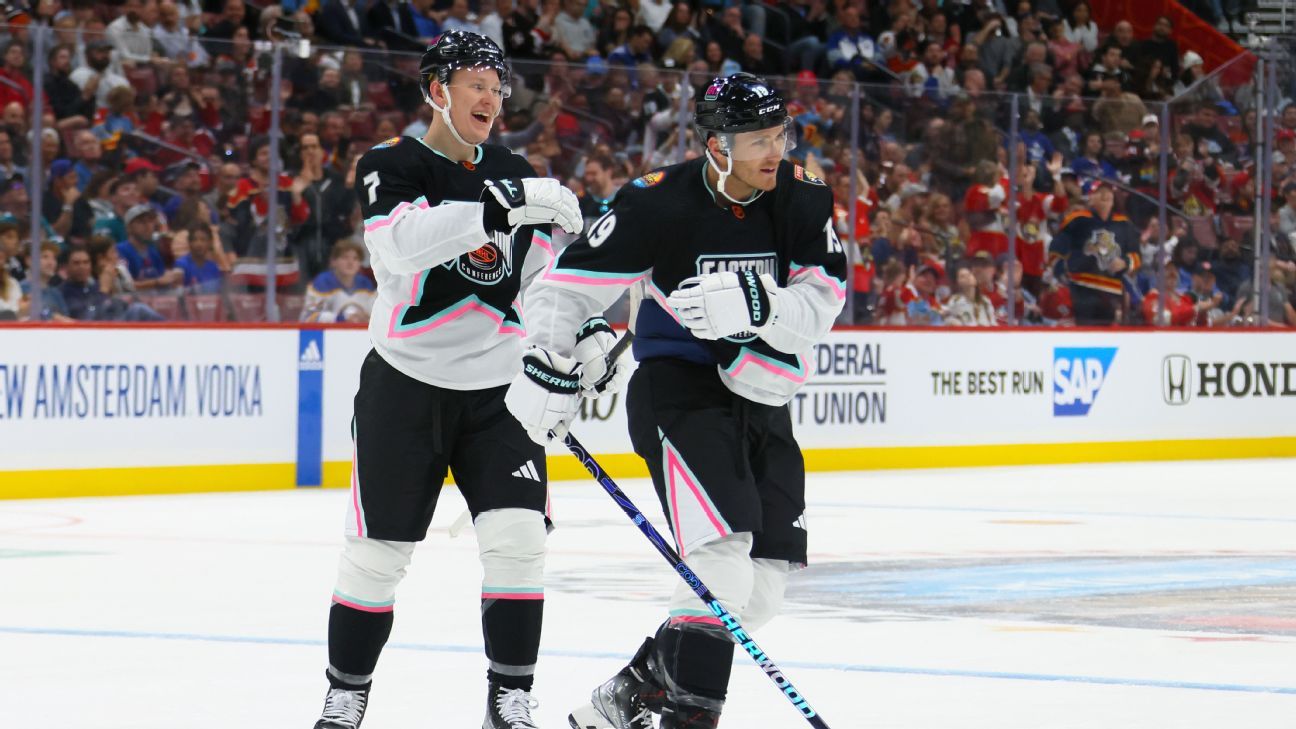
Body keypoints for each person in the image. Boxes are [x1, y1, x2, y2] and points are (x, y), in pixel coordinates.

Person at [504, 73, 846, 729]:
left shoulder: (801, 199)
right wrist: (547, 359)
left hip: (764, 394)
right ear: (717, 143)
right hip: (681, 393)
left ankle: (639, 683)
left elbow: (821, 306)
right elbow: (561, 289)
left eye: (778, 135)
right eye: (756, 140)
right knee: (718, 568)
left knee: (762, 590)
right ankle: (686, 718)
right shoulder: (658, 205)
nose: (773, 151)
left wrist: (760, 303)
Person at [311, 31, 582, 729]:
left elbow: (543, 285)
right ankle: (346, 693)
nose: (492, 98)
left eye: (498, 86)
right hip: (405, 386)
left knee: (520, 538)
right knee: (377, 554)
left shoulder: (518, 171)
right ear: (438, 91)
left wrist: (580, 339)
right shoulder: (392, 164)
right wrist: (500, 206)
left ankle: (510, 698)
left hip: (499, 395)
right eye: (476, 85)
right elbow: (397, 247)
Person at [1048, 180, 1140, 326]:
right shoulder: (1078, 219)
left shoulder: (1124, 224)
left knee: (1107, 337)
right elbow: (1056, 249)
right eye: (1099, 191)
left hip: (1112, 290)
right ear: (1090, 198)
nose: (1105, 194)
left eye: (1108, 191)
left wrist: (1125, 263)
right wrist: (1061, 273)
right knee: (1084, 335)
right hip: (1082, 288)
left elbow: (1136, 255)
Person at [301, 240, 375, 323]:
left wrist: (367, 318)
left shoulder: (366, 284)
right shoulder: (322, 283)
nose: (350, 263)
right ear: (333, 261)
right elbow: (308, 317)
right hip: (328, 334)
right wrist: (341, 318)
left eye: (355, 258)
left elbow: (377, 315)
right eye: (345, 257)